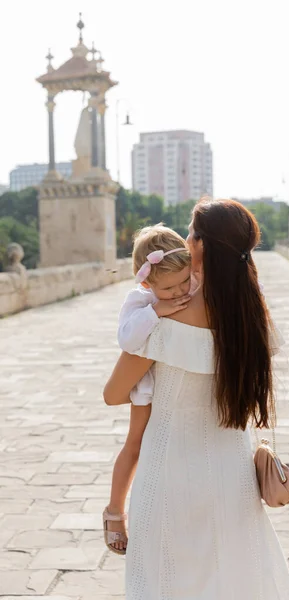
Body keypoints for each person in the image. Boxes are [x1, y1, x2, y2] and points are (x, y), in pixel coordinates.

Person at [104, 198, 289, 599]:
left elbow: (113, 393)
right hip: (233, 475)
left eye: (191, 233)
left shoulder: (164, 314)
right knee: (236, 581)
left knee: (165, 583)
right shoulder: (250, 315)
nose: (186, 240)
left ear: (203, 246)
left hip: (169, 469)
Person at [103, 225, 193, 554]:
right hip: (147, 389)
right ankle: (115, 509)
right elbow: (127, 339)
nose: (181, 290)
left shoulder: (191, 287)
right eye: (169, 287)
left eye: (185, 280)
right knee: (136, 445)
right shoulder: (140, 300)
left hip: (181, 388)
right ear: (147, 282)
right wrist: (156, 311)